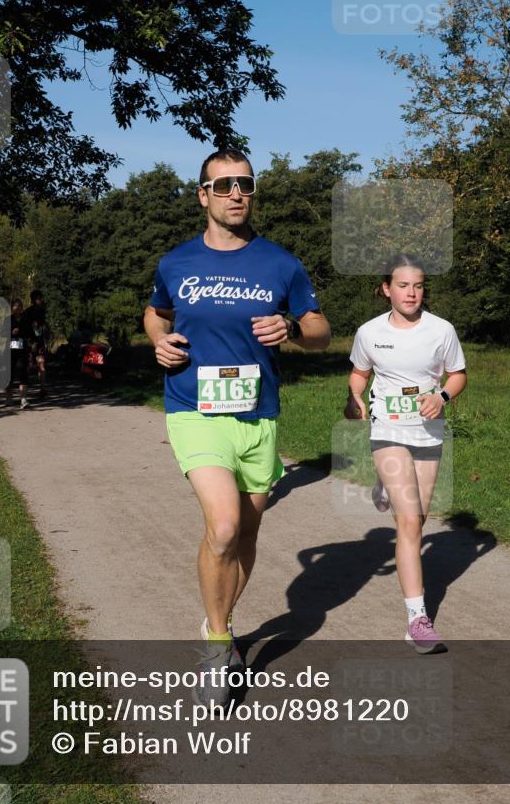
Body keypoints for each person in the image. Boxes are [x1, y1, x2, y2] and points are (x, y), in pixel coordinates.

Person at [144, 148, 331, 708]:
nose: (234, 194)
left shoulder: (280, 262)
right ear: (202, 195)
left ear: (252, 193)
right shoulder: (176, 263)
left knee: (246, 537)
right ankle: (219, 647)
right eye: (222, 185)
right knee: (224, 528)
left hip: (259, 416)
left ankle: (216, 624)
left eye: (243, 184)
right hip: (194, 410)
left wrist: (294, 327)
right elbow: (156, 311)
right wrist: (159, 340)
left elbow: (321, 331)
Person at [344, 254, 467, 653]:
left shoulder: (442, 330)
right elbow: (360, 373)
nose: (411, 293)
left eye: (417, 286)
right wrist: (354, 397)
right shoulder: (368, 332)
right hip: (387, 429)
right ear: (386, 289)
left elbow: (458, 374)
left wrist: (443, 396)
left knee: (420, 518)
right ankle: (418, 618)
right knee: (410, 522)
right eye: (402, 285)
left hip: (428, 433)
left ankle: (384, 484)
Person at [3, 298, 29, 410]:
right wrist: (11, 332)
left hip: (22, 350)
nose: (17, 308)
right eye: (15, 306)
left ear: (22, 308)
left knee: (23, 373)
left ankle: (23, 399)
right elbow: (1, 333)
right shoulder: (8, 319)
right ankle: (9, 398)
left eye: (19, 306)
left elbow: (31, 333)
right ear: (11, 308)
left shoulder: (26, 319)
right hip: (10, 351)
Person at [23, 290, 49, 397]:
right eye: (37, 298)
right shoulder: (28, 312)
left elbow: (45, 326)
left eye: (40, 297)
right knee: (28, 366)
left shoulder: (44, 310)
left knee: (41, 364)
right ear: (33, 299)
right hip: (30, 342)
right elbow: (25, 327)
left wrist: (47, 336)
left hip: (40, 342)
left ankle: (43, 388)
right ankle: (25, 388)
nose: (40, 300)